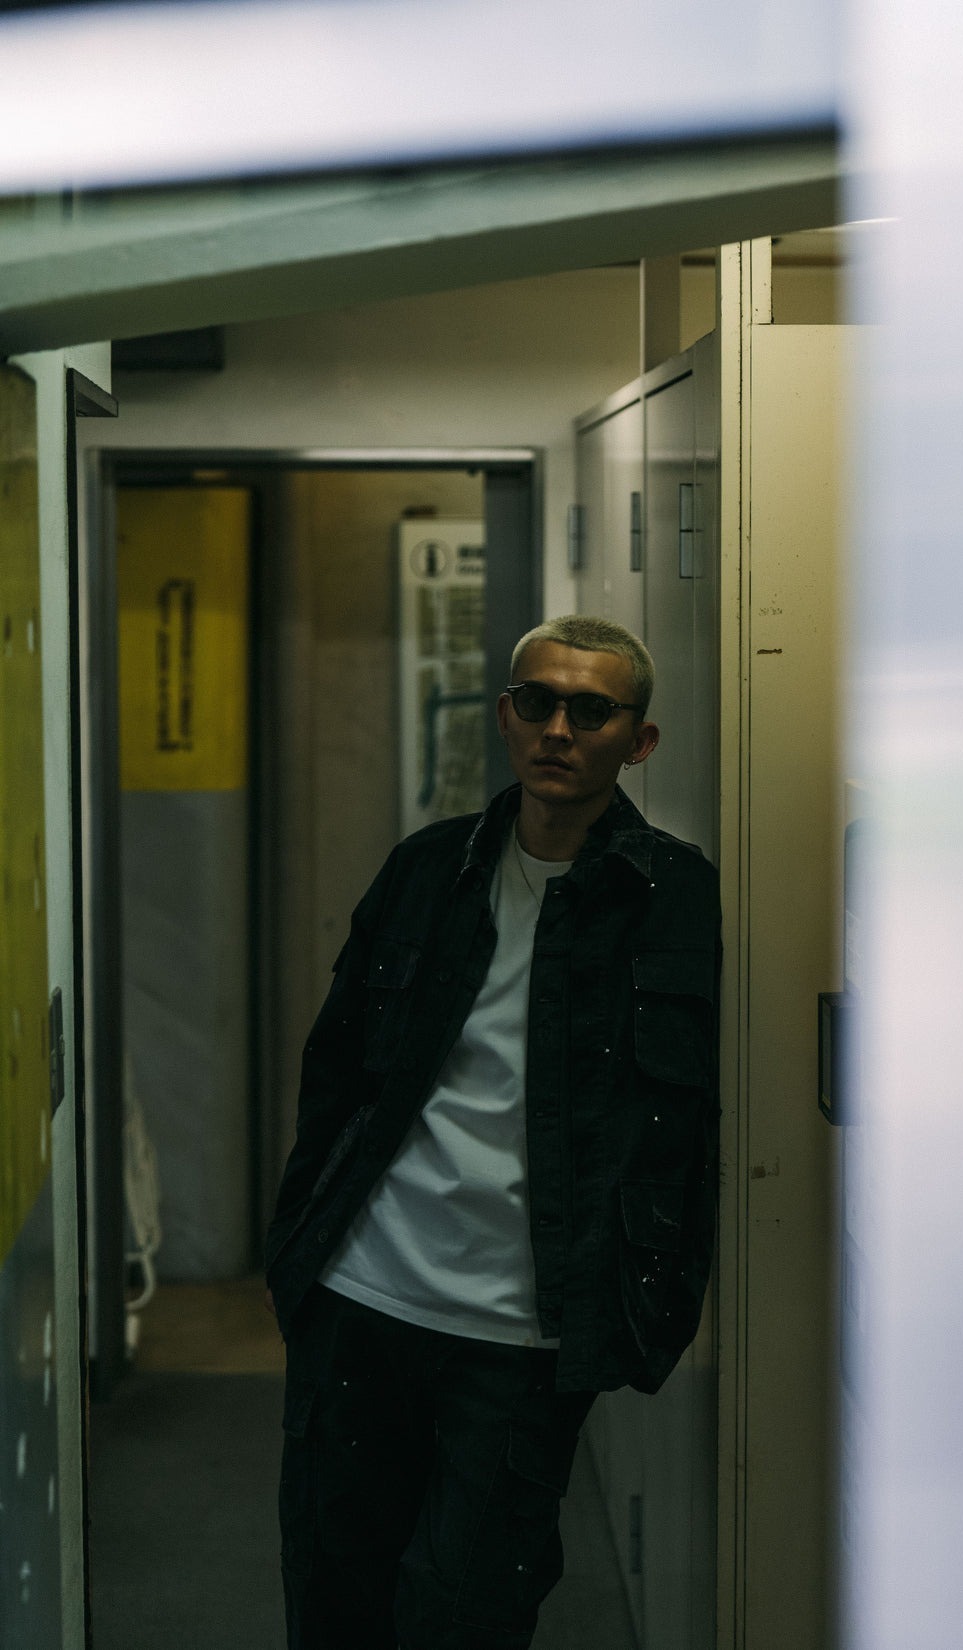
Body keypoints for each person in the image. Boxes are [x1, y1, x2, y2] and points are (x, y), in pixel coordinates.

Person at [265, 614, 721, 1650]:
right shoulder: (426, 872)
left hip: (522, 1339)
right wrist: (299, 1251)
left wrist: (649, 1307)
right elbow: (334, 1076)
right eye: (537, 702)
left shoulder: (673, 897)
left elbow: (688, 1137)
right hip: (363, 1299)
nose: (558, 730)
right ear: (505, 715)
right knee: (334, 1603)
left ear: (638, 741)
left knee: (465, 1615)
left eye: (590, 711)